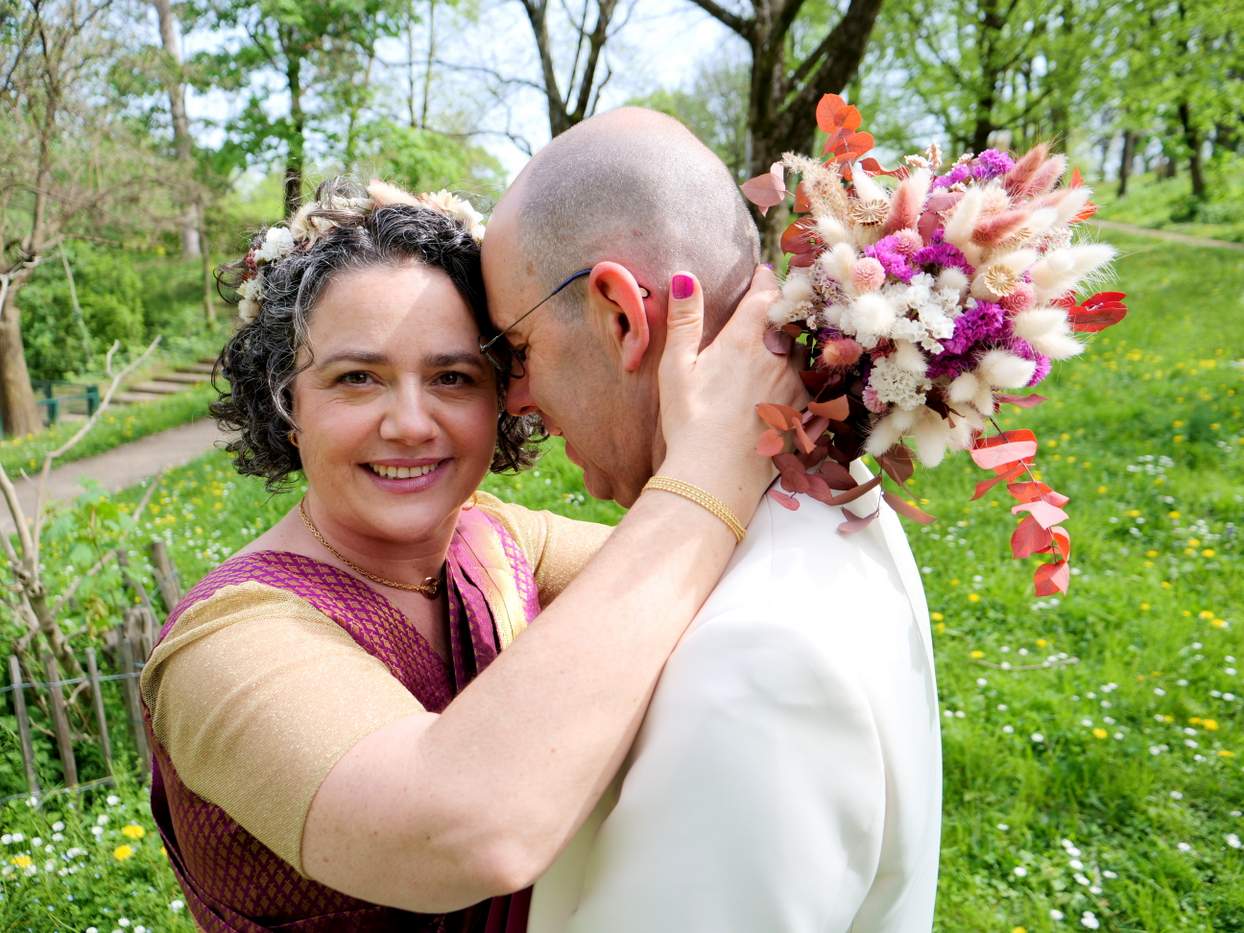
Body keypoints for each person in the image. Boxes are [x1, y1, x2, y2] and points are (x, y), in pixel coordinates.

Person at [139, 177, 803, 931]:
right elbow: (460, 831)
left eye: (453, 377)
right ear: (288, 402)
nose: (412, 423)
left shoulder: (493, 539)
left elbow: (718, 581)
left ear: (504, 394)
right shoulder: (225, 643)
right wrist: (709, 464)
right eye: (358, 378)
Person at [481, 108, 942, 932]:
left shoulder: (758, 657)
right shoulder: (838, 494)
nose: (514, 399)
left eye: (517, 351)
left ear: (620, 315)